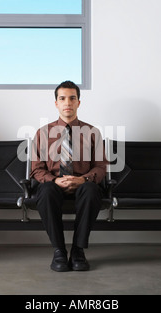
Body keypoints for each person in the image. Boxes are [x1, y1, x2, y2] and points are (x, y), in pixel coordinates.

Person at [31, 81, 108, 272]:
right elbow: (36, 169)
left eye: (72, 98)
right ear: (56, 103)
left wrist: (84, 179)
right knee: (46, 190)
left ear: (79, 103)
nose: (68, 102)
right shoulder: (42, 133)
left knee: (91, 190)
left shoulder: (92, 133)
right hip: (55, 185)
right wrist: (55, 180)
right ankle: (59, 251)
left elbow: (100, 167)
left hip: (83, 185)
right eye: (62, 98)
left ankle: (78, 250)